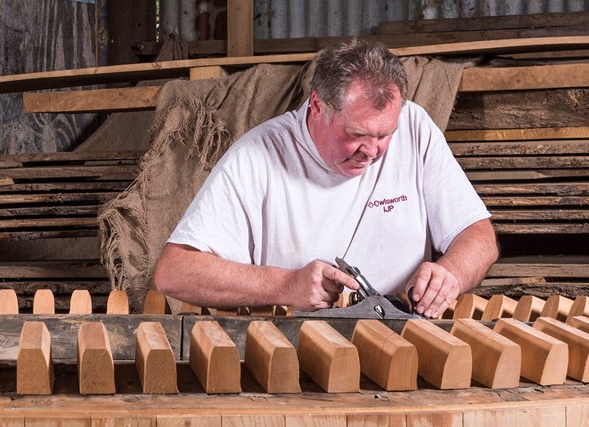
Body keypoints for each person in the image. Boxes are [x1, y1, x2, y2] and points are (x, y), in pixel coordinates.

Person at [151, 40, 498, 317]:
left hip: (404, 341)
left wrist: (450, 272)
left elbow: (479, 236)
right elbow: (174, 272)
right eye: (357, 133)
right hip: (292, 354)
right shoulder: (256, 156)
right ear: (318, 106)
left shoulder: (415, 127)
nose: (373, 150)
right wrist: (285, 285)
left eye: (384, 134)